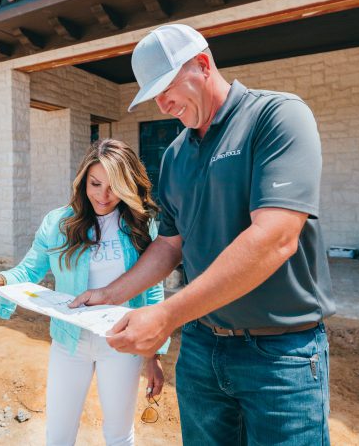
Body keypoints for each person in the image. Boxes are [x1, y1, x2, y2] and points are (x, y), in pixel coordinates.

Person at [70, 24, 336, 445]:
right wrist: (112, 293)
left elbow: (276, 236)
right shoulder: (175, 155)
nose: (162, 104)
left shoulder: (277, 117)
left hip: (280, 356)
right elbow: (169, 245)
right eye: (153, 96)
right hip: (200, 349)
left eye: (166, 88)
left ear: (202, 63)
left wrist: (165, 316)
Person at [0, 138, 169, 446]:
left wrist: (153, 354)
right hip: (68, 343)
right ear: (83, 180)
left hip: (121, 344)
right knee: (59, 435)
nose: (103, 196)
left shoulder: (142, 225)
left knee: (119, 435)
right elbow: (29, 271)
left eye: (114, 186)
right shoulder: (59, 222)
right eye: (95, 183)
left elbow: (152, 291)